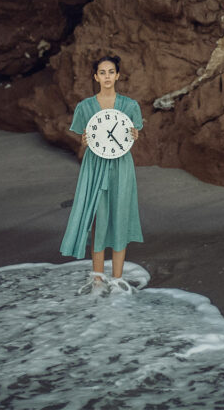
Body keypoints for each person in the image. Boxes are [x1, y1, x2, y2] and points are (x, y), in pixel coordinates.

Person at [59, 55, 144, 295]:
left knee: (120, 216)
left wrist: (134, 136)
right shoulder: (85, 107)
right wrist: (83, 142)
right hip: (94, 166)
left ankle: (116, 279)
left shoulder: (130, 106)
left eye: (111, 72)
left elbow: (129, 137)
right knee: (97, 219)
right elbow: (84, 141)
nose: (107, 76)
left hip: (121, 166)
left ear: (118, 75)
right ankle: (97, 279)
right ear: (96, 77)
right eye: (102, 72)